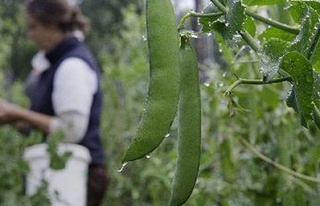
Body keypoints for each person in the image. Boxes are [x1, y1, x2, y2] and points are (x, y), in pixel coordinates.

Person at [0, 0, 108, 205]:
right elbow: (47, 124)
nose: (29, 34)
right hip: (56, 174)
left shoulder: (72, 65)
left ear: (51, 24)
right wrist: (12, 118)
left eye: (33, 27)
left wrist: (19, 113)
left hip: (76, 177)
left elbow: (71, 130)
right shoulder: (53, 63)